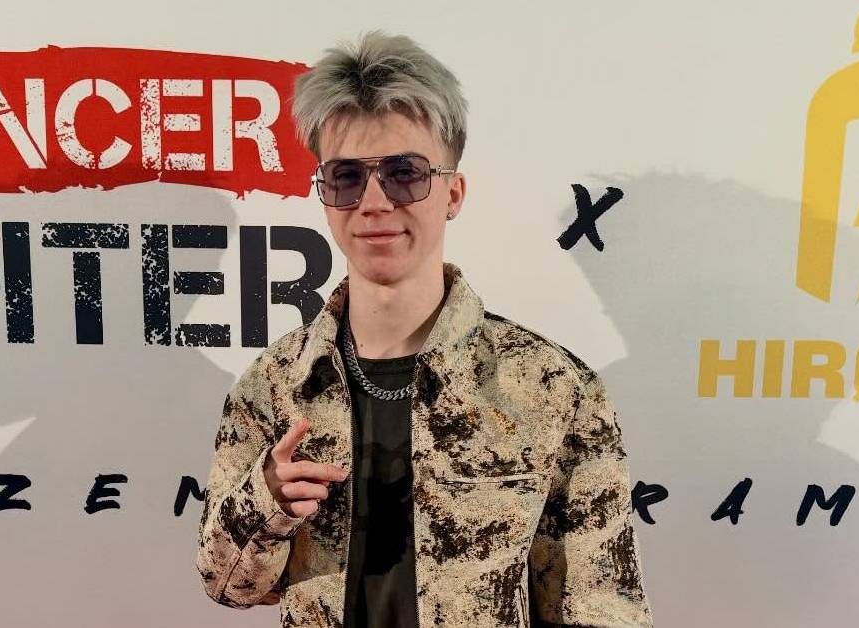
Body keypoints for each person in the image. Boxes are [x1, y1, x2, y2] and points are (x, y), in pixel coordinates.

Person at [197, 29, 654, 627]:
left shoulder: (551, 387)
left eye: (404, 173)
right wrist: (268, 502)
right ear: (324, 195)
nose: (374, 202)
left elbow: (602, 606)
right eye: (346, 177)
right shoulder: (276, 384)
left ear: (452, 192)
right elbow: (228, 587)